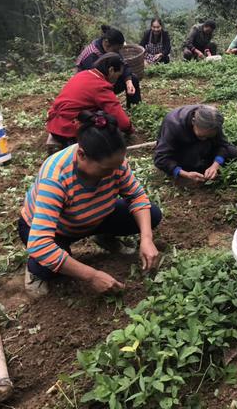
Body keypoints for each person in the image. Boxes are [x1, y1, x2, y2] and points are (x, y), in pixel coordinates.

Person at [19, 110, 162, 298]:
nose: (113, 172)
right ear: (81, 155)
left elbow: (137, 197)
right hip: (57, 229)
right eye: (106, 169)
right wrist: (91, 276)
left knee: (151, 214)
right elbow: (40, 244)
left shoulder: (114, 162)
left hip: (94, 215)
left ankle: (103, 236)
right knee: (48, 266)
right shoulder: (56, 177)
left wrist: (146, 238)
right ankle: (35, 272)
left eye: (117, 166)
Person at [46, 53, 134, 153]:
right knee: (105, 122)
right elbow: (122, 121)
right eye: (118, 75)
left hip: (54, 123)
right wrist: (129, 129)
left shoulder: (83, 74)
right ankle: (74, 145)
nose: (118, 78)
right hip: (67, 129)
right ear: (111, 70)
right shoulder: (101, 86)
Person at [154, 105, 237, 182]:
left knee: (233, 152)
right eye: (201, 136)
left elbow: (223, 144)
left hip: (201, 148)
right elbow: (160, 158)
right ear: (193, 122)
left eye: (209, 136)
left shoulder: (213, 121)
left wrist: (215, 165)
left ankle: (206, 164)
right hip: (182, 150)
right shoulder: (174, 124)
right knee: (193, 161)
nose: (204, 139)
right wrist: (185, 174)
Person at [76, 25, 142, 106]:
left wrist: (128, 82)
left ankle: (135, 108)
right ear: (107, 43)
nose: (117, 52)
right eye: (116, 50)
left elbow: (123, 64)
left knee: (133, 78)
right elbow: (92, 82)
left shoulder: (111, 49)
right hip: (90, 90)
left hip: (106, 81)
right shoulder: (91, 55)